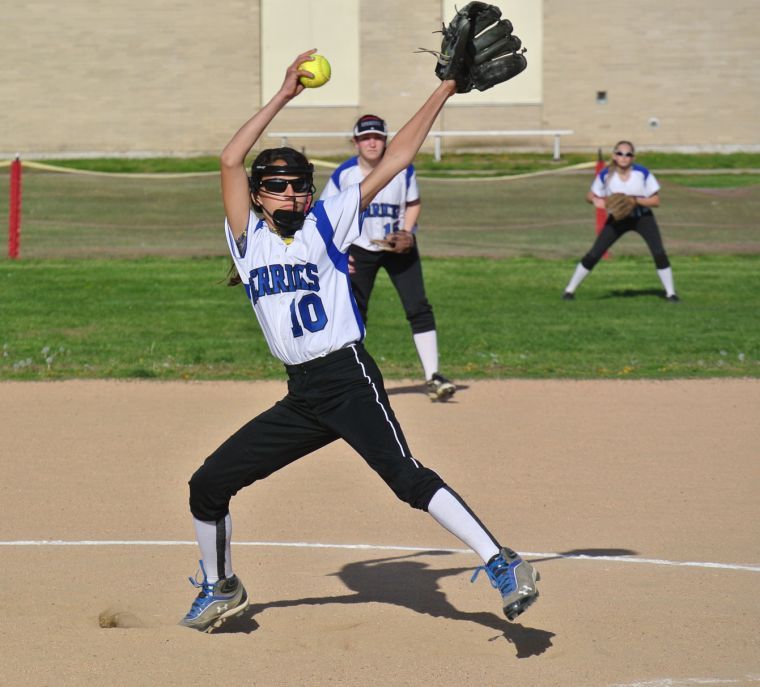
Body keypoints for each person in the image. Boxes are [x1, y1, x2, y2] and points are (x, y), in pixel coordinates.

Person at [179, 50, 539, 633]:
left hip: (348, 379)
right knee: (208, 485)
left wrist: (446, 87)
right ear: (258, 195)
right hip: (302, 396)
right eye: (277, 188)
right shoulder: (247, 240)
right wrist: (284, 95)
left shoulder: (329, 219)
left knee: (406, 479)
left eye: (299, 187)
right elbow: (229, 158)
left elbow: (398, 156)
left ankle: (502, 562)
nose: (292, 197)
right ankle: (222, 585)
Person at [320, 114, 456, 402]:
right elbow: (325, 215)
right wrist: (338, 254)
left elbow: (413, 203)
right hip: (358, 250)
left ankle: (433, 375)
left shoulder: (402, 170)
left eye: (378, 137)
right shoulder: (344, 174)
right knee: (353, 313)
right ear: (355, 142)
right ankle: (351, 380)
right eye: (365, 137)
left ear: (386, 141)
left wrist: (408, 232)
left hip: (398, 247)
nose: (372, 142)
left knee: (418, 306)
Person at [562, 140, 679, 302]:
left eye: (628, 154)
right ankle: (569, 291)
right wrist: (597, 201)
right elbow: (590, 195)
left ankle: (671, 294)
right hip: (618, 218)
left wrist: (634, 200)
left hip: (642, 217)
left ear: (633, 157)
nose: (624, 157)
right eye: (620, 153)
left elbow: (655, 201)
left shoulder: (642, 173)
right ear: (614, 156)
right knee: (595, 253)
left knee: (658, 252)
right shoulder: (606, 174)